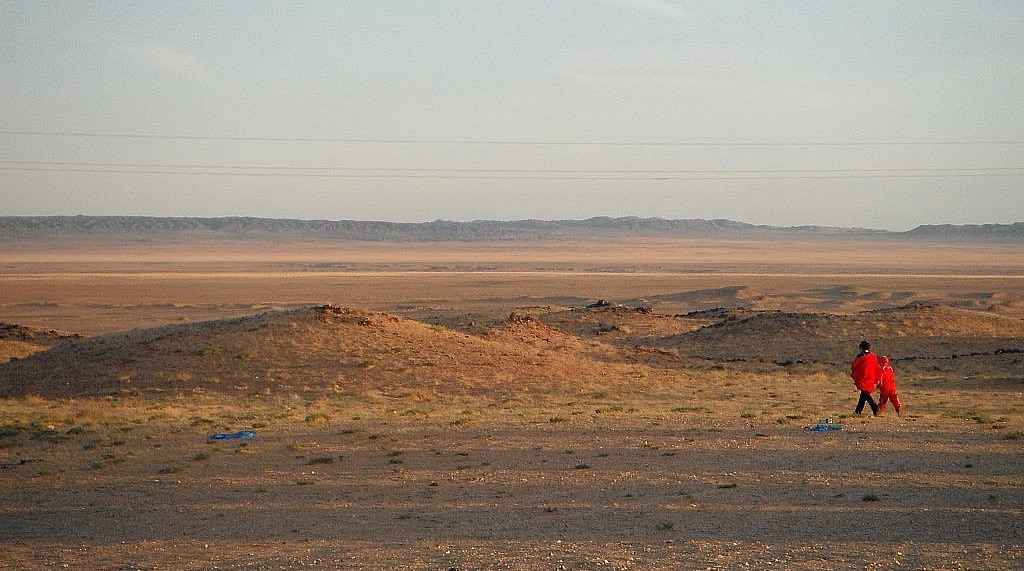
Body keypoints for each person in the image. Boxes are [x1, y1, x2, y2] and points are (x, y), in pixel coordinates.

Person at [850, 340, 880, 415]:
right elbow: (877, 368)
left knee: (865, 394)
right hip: (871, 378)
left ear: (861, 348)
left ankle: (875, 408)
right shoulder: (873, 356)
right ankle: (858, 412)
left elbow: (854, 366)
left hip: (863, 378)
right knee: (864, 394)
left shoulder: (861, 357)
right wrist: (877, 378)